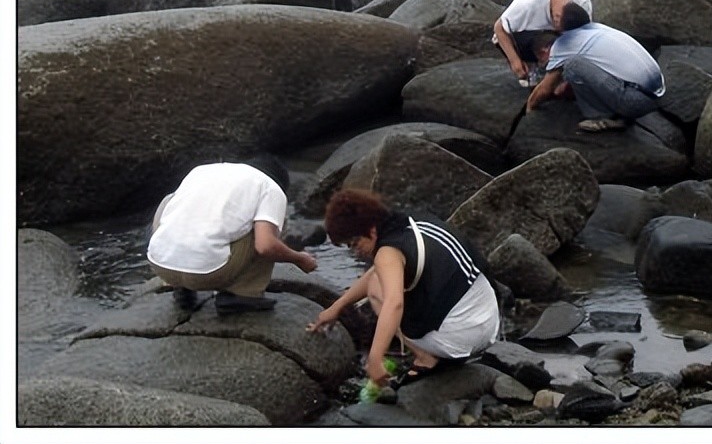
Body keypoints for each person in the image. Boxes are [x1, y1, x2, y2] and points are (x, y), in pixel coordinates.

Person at [309, 189, 501, 389]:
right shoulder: (410, 222)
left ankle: (425, 357)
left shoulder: (387, 253)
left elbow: (394, 302)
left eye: (355, 242)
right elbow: (377, 271)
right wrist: (337, 306)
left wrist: (375, 359)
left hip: (461, 338)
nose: (355, 250)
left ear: (371, 230)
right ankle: (439, 345)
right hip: (488, 322)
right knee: (379, 279)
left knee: (377, 290)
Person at [147, 156, 318, 314]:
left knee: (171, 201)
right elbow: (265, 246)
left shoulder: (201, 171)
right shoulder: (270, 187)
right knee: (267, 226)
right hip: (208, 273)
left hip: (162, 267)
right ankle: (243, 294)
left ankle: (181, 287)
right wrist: (300, 259)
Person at [527, 9, 666, 132]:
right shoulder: (596, 28)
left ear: (544, 50)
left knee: (573, 65)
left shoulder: (561, 46)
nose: (543, 64)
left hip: (634, 102)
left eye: (541, 60)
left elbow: (545, 89)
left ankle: (600, 116)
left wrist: (529, 109)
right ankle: (618, 113)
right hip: (657, 93)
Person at [491, 0, 592, 85]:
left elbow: (585, 38)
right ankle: (533, 66)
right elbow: (499, 28)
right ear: (555, 20)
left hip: (555, 34)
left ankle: (556, 69)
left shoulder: (583, 2)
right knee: (505, 39)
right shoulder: (528, 4)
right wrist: (515, 61)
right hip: (527, 31)